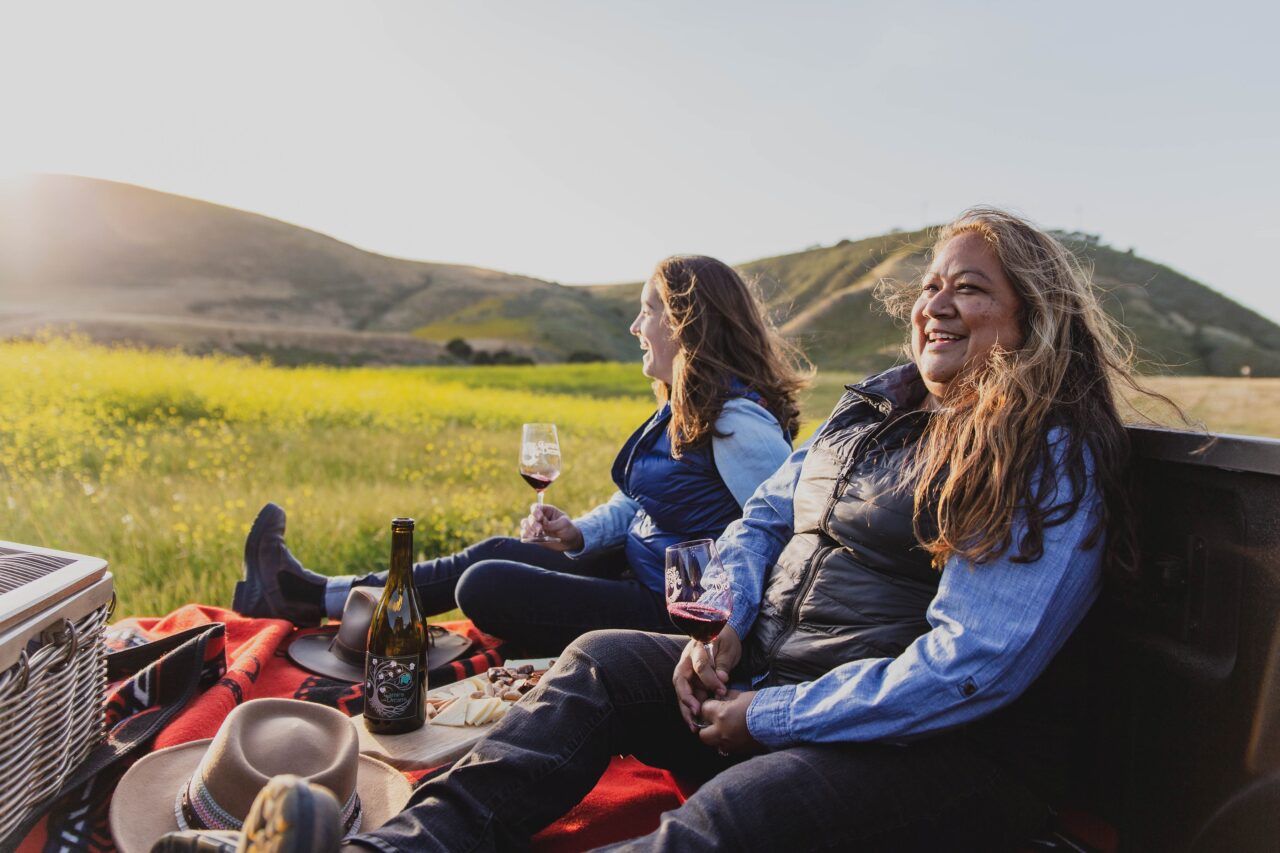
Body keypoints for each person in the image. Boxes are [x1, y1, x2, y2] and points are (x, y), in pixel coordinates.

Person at [175, 207, 1143, 852]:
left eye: (969, 287)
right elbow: (762, 517)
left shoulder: (1043, 452)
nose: (935, 303)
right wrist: (722, 624)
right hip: (774, 685)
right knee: (599, 660)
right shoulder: (871, 412)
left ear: (1032, 318)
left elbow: (968, 667)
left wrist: (768, 714)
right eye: (931, 284)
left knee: (727, 819)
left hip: (929, 754)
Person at [232, 255, 809, 654]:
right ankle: (312, 594)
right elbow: (641, 503)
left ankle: (315, 597)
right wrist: (577, 534)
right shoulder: (689, 407)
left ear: (687, 323)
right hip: (630, 572)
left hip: (667, 612)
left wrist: (725, 642)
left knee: (484, 586)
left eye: (649, 310)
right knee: (496, 551)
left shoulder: (739, 424)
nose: (636, 326)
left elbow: (786, 542)